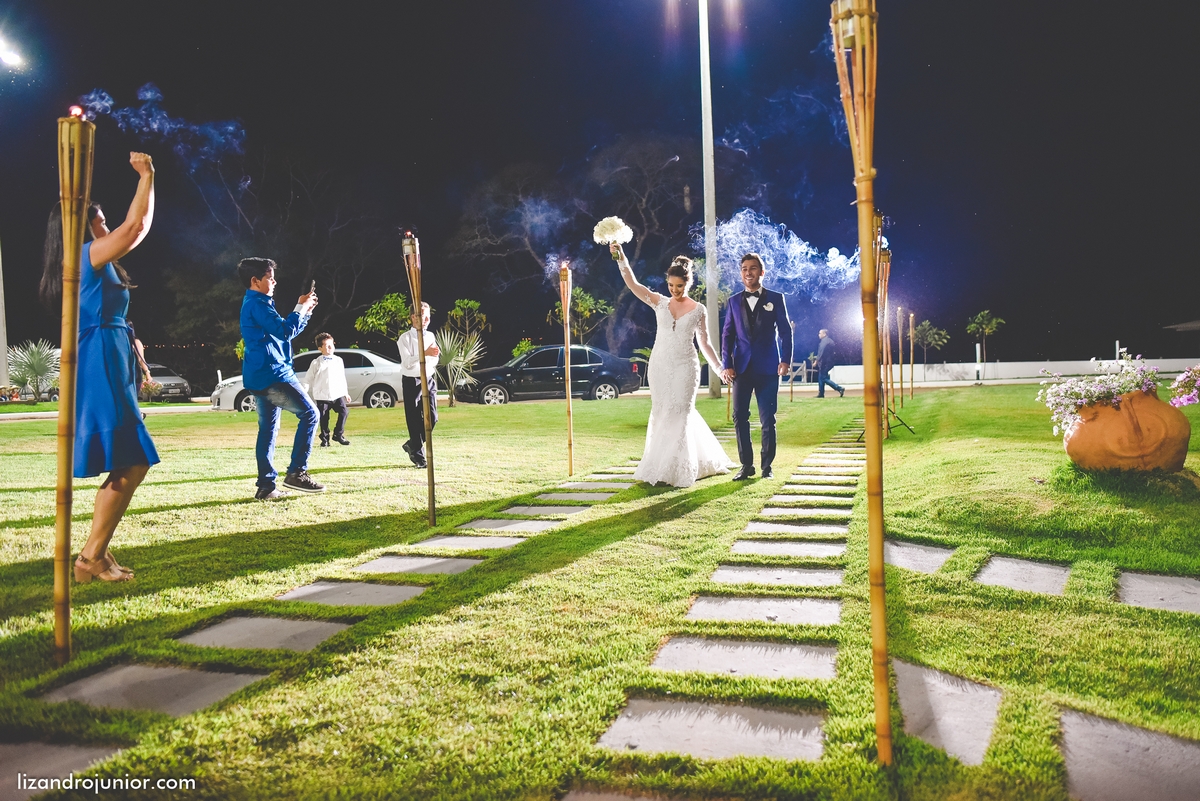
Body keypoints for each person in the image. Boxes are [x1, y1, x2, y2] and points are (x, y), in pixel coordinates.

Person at [38, 152, 158, 583]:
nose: (106, 227)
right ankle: (90, 557)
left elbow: (133, 230)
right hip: (100, 362)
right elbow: (134, 228)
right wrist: (146, 176)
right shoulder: (84, 257)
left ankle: (96, 555)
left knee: (129, 457)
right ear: (83, 226)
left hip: (107, 358)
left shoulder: (85, 260)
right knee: (133, 458)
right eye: (100, 220)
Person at [612, 244, 732, 487]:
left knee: (680, 412)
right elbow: (634, 285)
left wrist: (719, 368)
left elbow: (706, 344)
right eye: (671, 286)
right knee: (662, 412)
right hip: (659, 365)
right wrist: (621, 258)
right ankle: (661, 465)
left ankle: (679, 468)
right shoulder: (660, 303)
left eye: (679, 286)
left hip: (686, 366)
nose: (675, 290)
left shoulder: (698, 310)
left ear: (688, 284)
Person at [237, 258, 323, 498]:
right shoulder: (258, 304)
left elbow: (285, 333)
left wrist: (304, 312)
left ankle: (266, 487)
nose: (274, 281)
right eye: (270, 277)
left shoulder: (256, 303)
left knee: (268, 430)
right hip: (273, 374)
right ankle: (296, 472)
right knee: (310, 414)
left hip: (260, 375)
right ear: (255, 281)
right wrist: (300, 309)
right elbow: (285, 331)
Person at [721, 252, 793, 480]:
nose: (748, 272)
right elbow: (727, 335)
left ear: (762, 272)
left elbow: (785, 332)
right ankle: (746, 465)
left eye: (753, 268)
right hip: (740, 369)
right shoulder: (733, 301)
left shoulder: (776, 298)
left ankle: (766, 467)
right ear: (741, 273)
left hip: (768, 367)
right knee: (739, 417)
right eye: (744, 269)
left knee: (767, 419)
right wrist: (727, 364)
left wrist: (785, 361)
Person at [397, 302, 439, 469]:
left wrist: (431, 356)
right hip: (411, 381)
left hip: (428, 378)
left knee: (433, 418)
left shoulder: (430, 336)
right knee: (414, 418)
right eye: (423, 316)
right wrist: (424, 353)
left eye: (429, 316)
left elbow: (434, 357)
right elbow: (407, 362)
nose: (427, 319)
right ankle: (419, 455)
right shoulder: (404, 338)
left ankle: (413, 444)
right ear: (414, 317)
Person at [303, 332, 351, 446]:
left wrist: (345, 393)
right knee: (324, 418)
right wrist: (303, 392)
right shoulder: (316, 362)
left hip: (337, 393)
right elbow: (308, 379)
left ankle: (338, 434)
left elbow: (341, 377)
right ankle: (325, 439)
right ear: (320, 348)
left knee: (344, 412)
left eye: (331, 345)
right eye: (326, 346)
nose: (330, 348)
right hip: (322, 395)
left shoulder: (338, 360)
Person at [815, 328, 845, 398]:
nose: (818, 335)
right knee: (821, 377)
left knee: (823, 378)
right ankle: (821, 393)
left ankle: (839, 388)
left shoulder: (824, 342)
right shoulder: (829, 341)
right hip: (830, 362)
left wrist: (816, 361)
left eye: (820, 333)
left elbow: (821, 352)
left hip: (825, 362)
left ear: (824, 334)